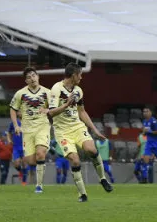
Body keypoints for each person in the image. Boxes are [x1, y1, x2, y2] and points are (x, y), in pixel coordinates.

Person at [48, 63, 113, 202]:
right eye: (80, 74)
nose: (81, 77)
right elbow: (51, 113)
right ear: (73, 75)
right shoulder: (56, 89)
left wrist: (95, 130)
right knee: (75, 161)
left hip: (77, 127)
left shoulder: (78, 90)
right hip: (63, 131)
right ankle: (82, 194)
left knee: (92, 150)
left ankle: (102, 179)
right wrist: (66, 104)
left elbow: (82, 112)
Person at [9, 67, 51, 193]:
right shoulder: (20, 94)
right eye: (29, 77)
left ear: (38, 76)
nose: (32, 78)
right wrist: (16, 125)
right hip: (27, 130)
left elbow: (55, 108)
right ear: (26, 81)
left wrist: (48, 110)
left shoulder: (47, 92)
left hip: (42, 127)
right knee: (30, 160)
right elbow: (12, 109)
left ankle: (39, 185)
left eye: (33, 75)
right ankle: (39, 159)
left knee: (40, 154)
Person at [6, 119, 29, 186]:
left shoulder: (28, 121)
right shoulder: (14, 123)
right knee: (17, 163)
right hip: (16, 147)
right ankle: (21, 172)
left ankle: (24, 182)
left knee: (24, 163)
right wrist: (9, 140)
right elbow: (9, 132)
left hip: (25, 147)